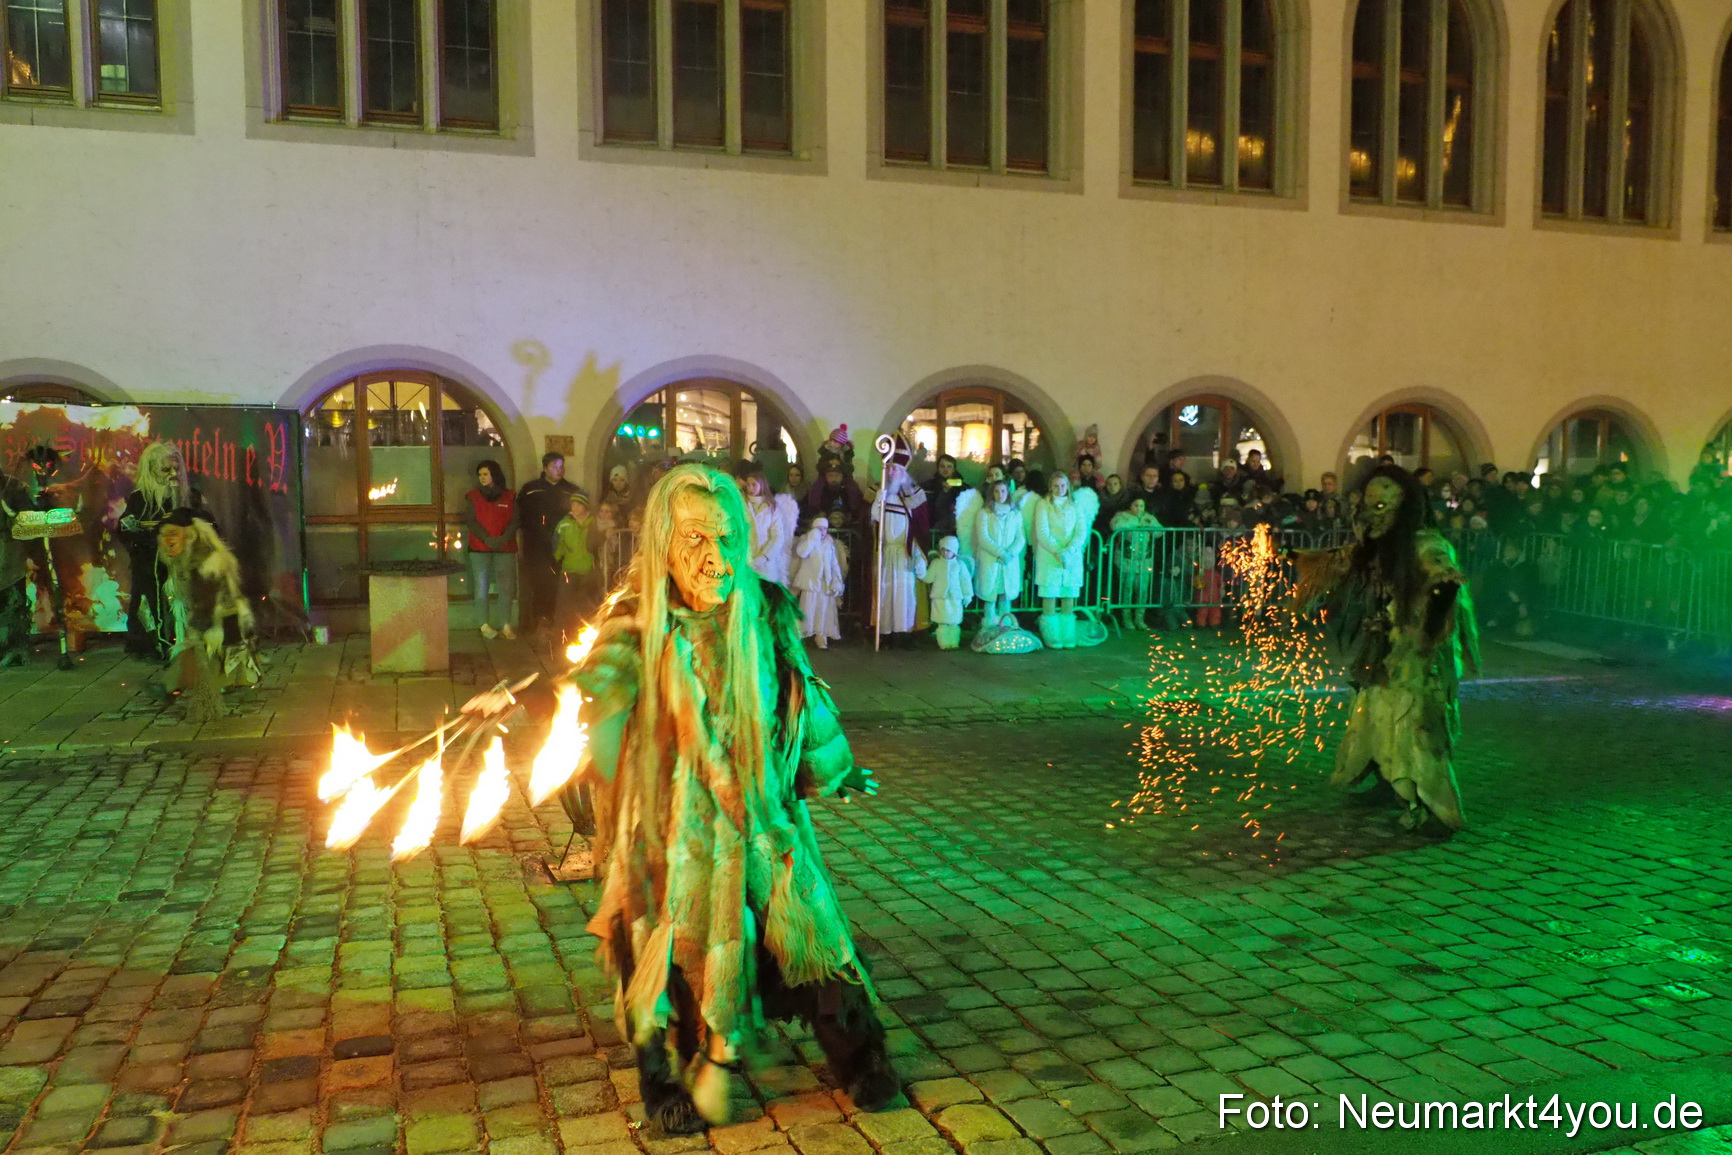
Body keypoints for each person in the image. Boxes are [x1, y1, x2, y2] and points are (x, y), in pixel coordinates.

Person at [468, 465, 897, 1133]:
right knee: (660, 954)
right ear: (665, 540)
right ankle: (663, 1078)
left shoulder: (767, 608)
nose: (713, 556)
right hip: (671, 831)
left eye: (725, 537)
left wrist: (833, 770)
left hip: (760, 818)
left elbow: (801, 699)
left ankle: (861, 1056)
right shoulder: (638, 618)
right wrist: (527, 702)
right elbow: (592, 687)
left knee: (809, 934)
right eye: (694, 537)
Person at [1295, 465, 1479, 835]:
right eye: (1369, 506)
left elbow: (1445, 583)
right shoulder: (1381, 545)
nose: (1371, 516)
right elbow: (1340, 560)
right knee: (1373, 711)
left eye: (1382, 508)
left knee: (1416, 726)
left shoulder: (1427, 545)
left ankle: (1437, 809)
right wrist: (1287, 554)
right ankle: (1383, 779)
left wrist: (1427, 631)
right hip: (1386, 646)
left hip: (1420, 655)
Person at [153, 509, 261, 719]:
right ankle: (173, 689)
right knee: (209, 661)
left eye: (173, 533)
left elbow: (208, 596)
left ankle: (175, 690)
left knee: (203, 659)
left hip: (220, 616)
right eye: (164, 534)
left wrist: (202, 625)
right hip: (219, 614)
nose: (167, 540)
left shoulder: (202, 560)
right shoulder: (192, 555)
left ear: (189, 534)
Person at [119, 441, 192, 661]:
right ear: (152, 471)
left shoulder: (191, 497)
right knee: (150, 605)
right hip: (149, 566)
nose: (173, 474)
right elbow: (125, 529)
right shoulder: (140, 499)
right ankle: (154, 644)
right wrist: (146, 537)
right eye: (166, 469)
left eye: (176, 469)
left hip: (183, 566)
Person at [871, 449, 929, 648]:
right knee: (886, 593)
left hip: (905, 552)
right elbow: (874, 519)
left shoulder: (913, 496)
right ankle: (885, 633)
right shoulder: (881, 493)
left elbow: (920, 525)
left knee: (905, 594)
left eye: (898, 470)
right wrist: (879, 499)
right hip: (886, 552)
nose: (893, 473)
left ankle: (903, 634)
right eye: (891, 469)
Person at [1032, 472, 1096, 649]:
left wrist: (1070, 551)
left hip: (1072, 558)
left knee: (1068, 595)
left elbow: (1081, 531)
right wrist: (1057, 551)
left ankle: (1067, 634)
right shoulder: (1043, 505)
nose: (1059, 489)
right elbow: (1043, 532)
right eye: (1056, 486)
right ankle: (1051, 634)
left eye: (1063, 486)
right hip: (1050, 557)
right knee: (1050, 594)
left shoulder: (1075, 506)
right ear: (1050, 487)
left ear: (1067, 486)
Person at [518, 452, 579, 639]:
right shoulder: (530, 489)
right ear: (545, 468)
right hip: (536, 546)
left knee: (560, 584)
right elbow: (521, 516)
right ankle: (538, 620)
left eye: (561, 467)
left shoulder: (571, 490)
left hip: (563, 547)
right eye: (554, 467)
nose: (558, 470)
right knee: (539, 582)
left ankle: (558, 621)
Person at [464, 460, 519, 639]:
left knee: (506, 588)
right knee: (481, 588)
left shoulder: (510, 496)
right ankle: (484, 624)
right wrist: (487, 538)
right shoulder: (473, 496)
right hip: (479, 549)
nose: (482, 478)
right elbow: (472, 521)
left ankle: (505, 624)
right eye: (480, 474)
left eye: (485, 474)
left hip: (505, 548)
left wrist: (503, 539)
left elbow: (515, 521)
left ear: (494, 474)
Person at [967, 479, 1027, 637]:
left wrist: (1011, 553)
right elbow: (984, 538)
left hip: (1009, 561)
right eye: (996, 491)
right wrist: (1000, 552)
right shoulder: (985, 513)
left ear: (1008, 493)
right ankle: (989, 628)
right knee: (990, 594)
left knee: (1005, 595)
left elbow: (1020, 537)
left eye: (1003, 491)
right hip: (991, 560)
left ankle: (1005, 626)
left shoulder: (1015, 514)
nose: (1000, 495)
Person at [553, 490, 604, 640]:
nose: (574, 507)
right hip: (569, 569)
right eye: (572, 503)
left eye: (578, 504)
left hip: (588, 571)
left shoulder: (593, 523)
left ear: (585, 506)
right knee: (564, 605)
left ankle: (582, 636)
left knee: (585, 606)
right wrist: (558, 559)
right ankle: (562, 637)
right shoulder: (564, 524)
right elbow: (556, 544)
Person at [792, 516, 847, 649]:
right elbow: (802, 553)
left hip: (825, 582)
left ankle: (821, 637)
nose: (822, 531)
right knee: (807, 609)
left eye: (824, 529)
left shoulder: (830, 543)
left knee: (823, 610)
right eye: (819, 528)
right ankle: (801, 635)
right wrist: (812, 538)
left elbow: (834, 564)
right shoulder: (807, 540)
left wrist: (836, 581)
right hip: (811, 582)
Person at [1109, 497, 1160, 631]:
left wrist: (1149, 527)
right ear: (1130, 506)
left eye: (1142, 506)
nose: (1139, 508)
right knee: (1127, 588)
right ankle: (1126, 617)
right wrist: (1132, 524)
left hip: (1144, 560)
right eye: (1136, 505)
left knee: (1142, 589)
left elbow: (1160, 532)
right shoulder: (1122, 516)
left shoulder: (1149, 518)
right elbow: (1115, 526)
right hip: (1126, 560)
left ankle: (1139, 618)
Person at [0, 472, 34, 666]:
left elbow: (26, 515)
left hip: (8, 551)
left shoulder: (12, 486)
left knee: (12, 602)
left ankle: (14, 648)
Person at [742, 469, 798, 586]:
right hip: (746, 560)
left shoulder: (771, 508)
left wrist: (764, 557)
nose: (750, 488)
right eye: (748, 485)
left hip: (767, 563)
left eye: (754, 485)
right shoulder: (742, 506)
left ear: (761, 485)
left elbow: (778, 536)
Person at [921, 536, 974, 650]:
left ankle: (953, 642)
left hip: (955, 597)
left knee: (954, 621)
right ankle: (944, 642)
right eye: (943, 550)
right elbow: (929, 578)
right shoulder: (936, 563)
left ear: (954, 551)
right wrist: (921, 571)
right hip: (940, 597)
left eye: (948, 550)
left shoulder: (959, 565)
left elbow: (965, 581)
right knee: (942, 622)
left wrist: (967, 595)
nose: (945, 553)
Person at [922, 455, 970, 538]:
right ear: (938, 468)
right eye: (942, 466)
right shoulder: (928, 487)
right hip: (933, 531)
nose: (945, 469)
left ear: (954, 469)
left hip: (956, 532)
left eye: (949, 466)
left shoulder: (964, 489)